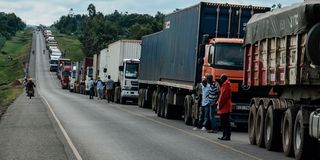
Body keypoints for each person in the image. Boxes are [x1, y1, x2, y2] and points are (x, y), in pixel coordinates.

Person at [217, 74, 232, 141]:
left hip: (224, 107)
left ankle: (226, 136)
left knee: (225, 122)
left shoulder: (225, 85)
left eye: (221, 79)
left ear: (223, 79)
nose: (220, 80)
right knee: (225, 122)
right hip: (225, 106)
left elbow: (223, 96)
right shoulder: (226, 84)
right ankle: (225, 135)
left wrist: (219, 105)